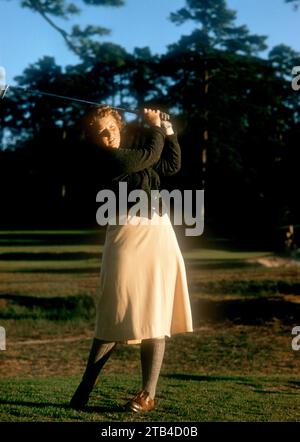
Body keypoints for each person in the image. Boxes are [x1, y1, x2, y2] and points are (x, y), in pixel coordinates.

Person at [69, 106, 193, 413]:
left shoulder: (135, 157)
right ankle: (85, 388)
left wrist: (168, 130)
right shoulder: (109, 159)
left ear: (119, 127)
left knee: (156, 315)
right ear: (94, 138)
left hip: (159, 235)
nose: (106, 134)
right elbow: (151, 155)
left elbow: (170, 164)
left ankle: (147, 395)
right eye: (99, 131)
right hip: (126, 235)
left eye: (110, 127)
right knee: (114, 312)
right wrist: (154, 126)